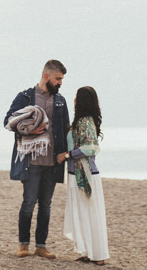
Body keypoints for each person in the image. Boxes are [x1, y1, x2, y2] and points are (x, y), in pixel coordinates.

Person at [4, 60, 70, 259]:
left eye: (62, 79)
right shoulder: (25, 97)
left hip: (52, 162)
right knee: (28, 203)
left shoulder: (60, 101)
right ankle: (23, 245)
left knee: (46, 205)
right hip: (30, 162)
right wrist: (31, 128)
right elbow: (8, 120)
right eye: (58, 78)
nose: (60, 83)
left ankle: (41, 246)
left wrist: (67, 154)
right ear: (46, 76)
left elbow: (66, 128)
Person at [57, 86, 109, 265]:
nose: (74, 100)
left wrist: (67, 155)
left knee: (91, 213)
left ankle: (99, 254)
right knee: (82, 213)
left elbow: (91, 147)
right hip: (74, 173)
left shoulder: (85, 121)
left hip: (85, 173)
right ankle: (87, 251)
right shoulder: (80, 121)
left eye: (76, 97)